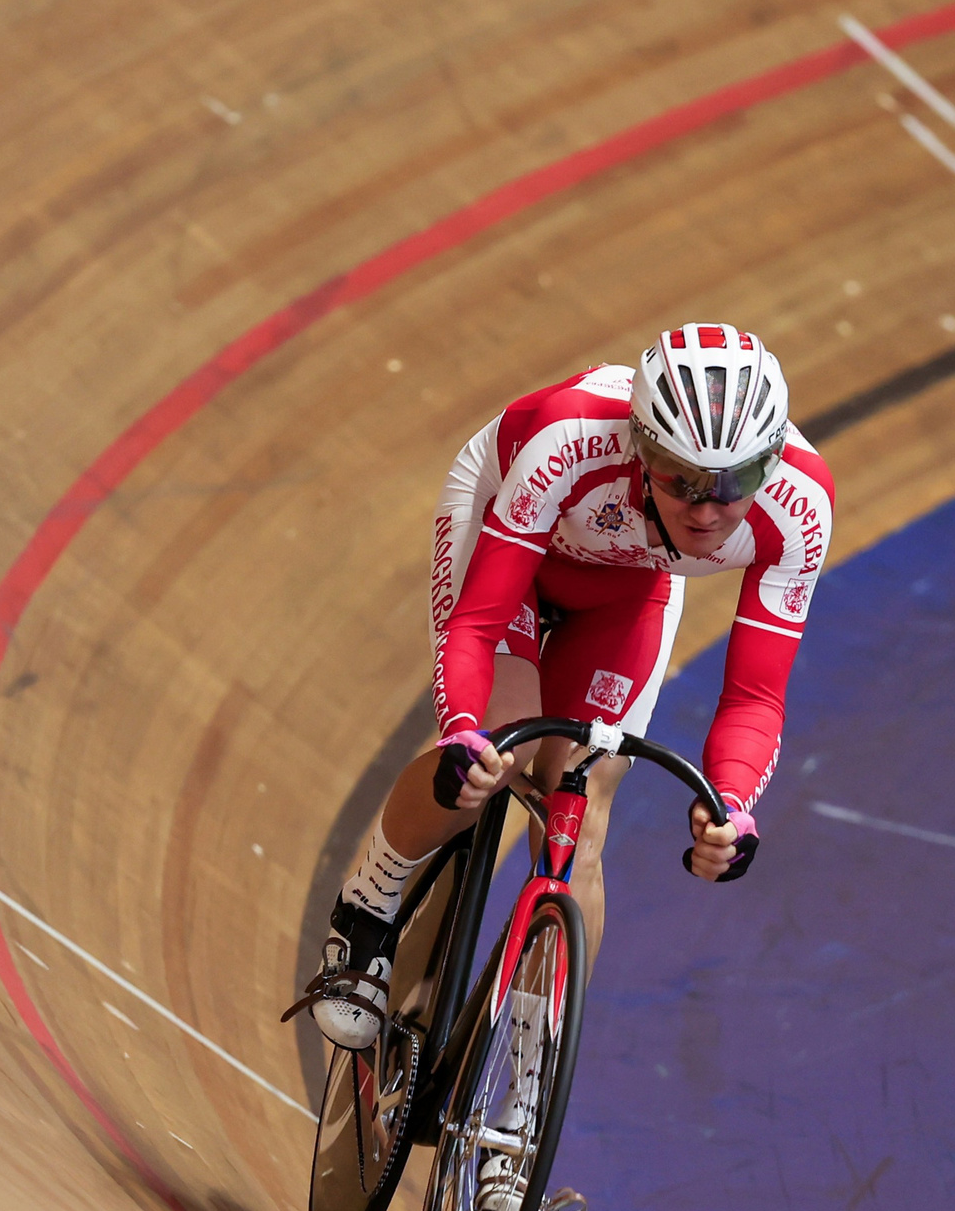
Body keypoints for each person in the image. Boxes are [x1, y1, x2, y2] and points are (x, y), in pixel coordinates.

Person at [289, 321, 835, 1063]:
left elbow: (755, 698)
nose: (708, 510)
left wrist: (732, 807)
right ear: (642, 451)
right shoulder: (568, 438)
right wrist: (462, 729)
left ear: (769, 463)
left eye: (734, 482)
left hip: (631, 585)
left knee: (580, 804)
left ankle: (523, 1076)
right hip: (507, 535)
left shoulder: (800, 507)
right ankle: (369, 907)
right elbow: (478, 622)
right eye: (680, 479)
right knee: (500, 750)